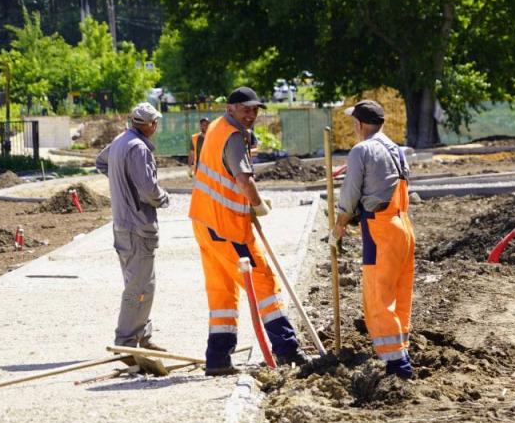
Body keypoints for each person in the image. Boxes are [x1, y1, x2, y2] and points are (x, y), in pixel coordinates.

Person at [188, 86, 308, 375]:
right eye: (246, 109)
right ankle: (287, 350)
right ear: (231, 108)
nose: (251, 114)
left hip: (204, 222)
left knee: (222, 293)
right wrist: (257, 204)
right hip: (227, 227)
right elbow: (243, 179)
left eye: (255, 109)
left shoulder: (216, 127)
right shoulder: (232, 137)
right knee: (264, 283)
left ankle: (217, 359)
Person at [331, 100, 416, 379]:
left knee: (379, 297)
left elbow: (351, 192)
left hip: (380, 229)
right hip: (403, 225)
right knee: (399, 292)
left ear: (359, 124)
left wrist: (340, 223)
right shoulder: (397, 150)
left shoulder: (361, 150)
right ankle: (401, 352)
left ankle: (396, 365)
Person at [96, 102, 170, 350]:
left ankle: (143, 337)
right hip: (138, 227)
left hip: (122, 225)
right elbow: (149, 191)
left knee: (140, 284)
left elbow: (101, 162)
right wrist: (163, 198)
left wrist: (121, 184)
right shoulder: (138, 149)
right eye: (155, 123)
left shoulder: (120, 141)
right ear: (150, 125)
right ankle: (126, 342)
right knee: (139, 287)